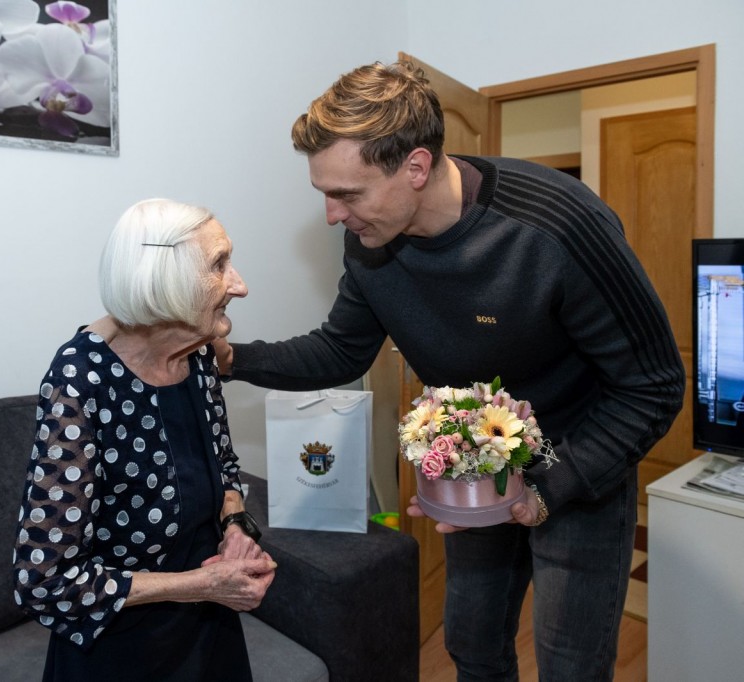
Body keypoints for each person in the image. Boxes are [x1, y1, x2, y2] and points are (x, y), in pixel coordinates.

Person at [219, 59, 684, 681]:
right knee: (472, 644)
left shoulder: (557, 227)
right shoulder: (370, 239)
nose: (332, 215)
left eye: (347, 194)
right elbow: (340, 351)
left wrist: (547, 489)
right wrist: (232, 359)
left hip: (580, 463)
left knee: (571, 663)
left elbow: (652, 386)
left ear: (416, 167)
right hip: (473, 465)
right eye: (324, 193)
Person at [13, 198, 276, 682]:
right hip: (119, 650)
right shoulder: (81, 378)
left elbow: (223, 465)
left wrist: (236, 526)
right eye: (218, 265)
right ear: (165, 280)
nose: (240, 285)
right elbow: (44, 581)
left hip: (209, 631)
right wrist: (202, 584)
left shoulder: (197, 353)